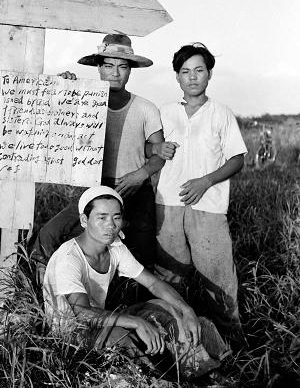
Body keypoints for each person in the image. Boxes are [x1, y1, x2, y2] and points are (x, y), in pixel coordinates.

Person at [43, 186, 230, 382]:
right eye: (102, 217)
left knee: (162, 308)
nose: (110, 225)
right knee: (122, 335)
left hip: (99, 321)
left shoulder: (114, 248)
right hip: (71, 335)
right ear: (84, 220)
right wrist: (137, 322)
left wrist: (187, 310)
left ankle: (200, 371)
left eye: (116, 217)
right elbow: (83, 313)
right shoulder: (69, 258)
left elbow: (153, 284)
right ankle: (163, 380)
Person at [31, 34, 165, 288]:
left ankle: (140, 310)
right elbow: (52, 122)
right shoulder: (86, 102)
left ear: (130, 71)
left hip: (136, 188)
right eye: (108, 66)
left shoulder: (145, 107)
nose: (115, 73)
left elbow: (159, 153)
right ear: (99, 68)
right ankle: (47, 295)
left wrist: (140, 175)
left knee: (141, 252)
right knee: (51, 234)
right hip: (95, 188)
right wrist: (64, 89)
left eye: (122, 66)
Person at [151, 43, 247, 348]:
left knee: (218, 277)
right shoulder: (165, 112)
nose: (192, 77)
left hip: (208, 207)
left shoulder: (221, 113)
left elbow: (237, 159)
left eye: (199, 70)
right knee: (166, 276)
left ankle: (234, 345)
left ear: (209, 74)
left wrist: (206, 181)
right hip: (167, 206)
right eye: (185, 71)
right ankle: (168, 342)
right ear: (177, 77)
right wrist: (156, 148)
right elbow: (148, 148)